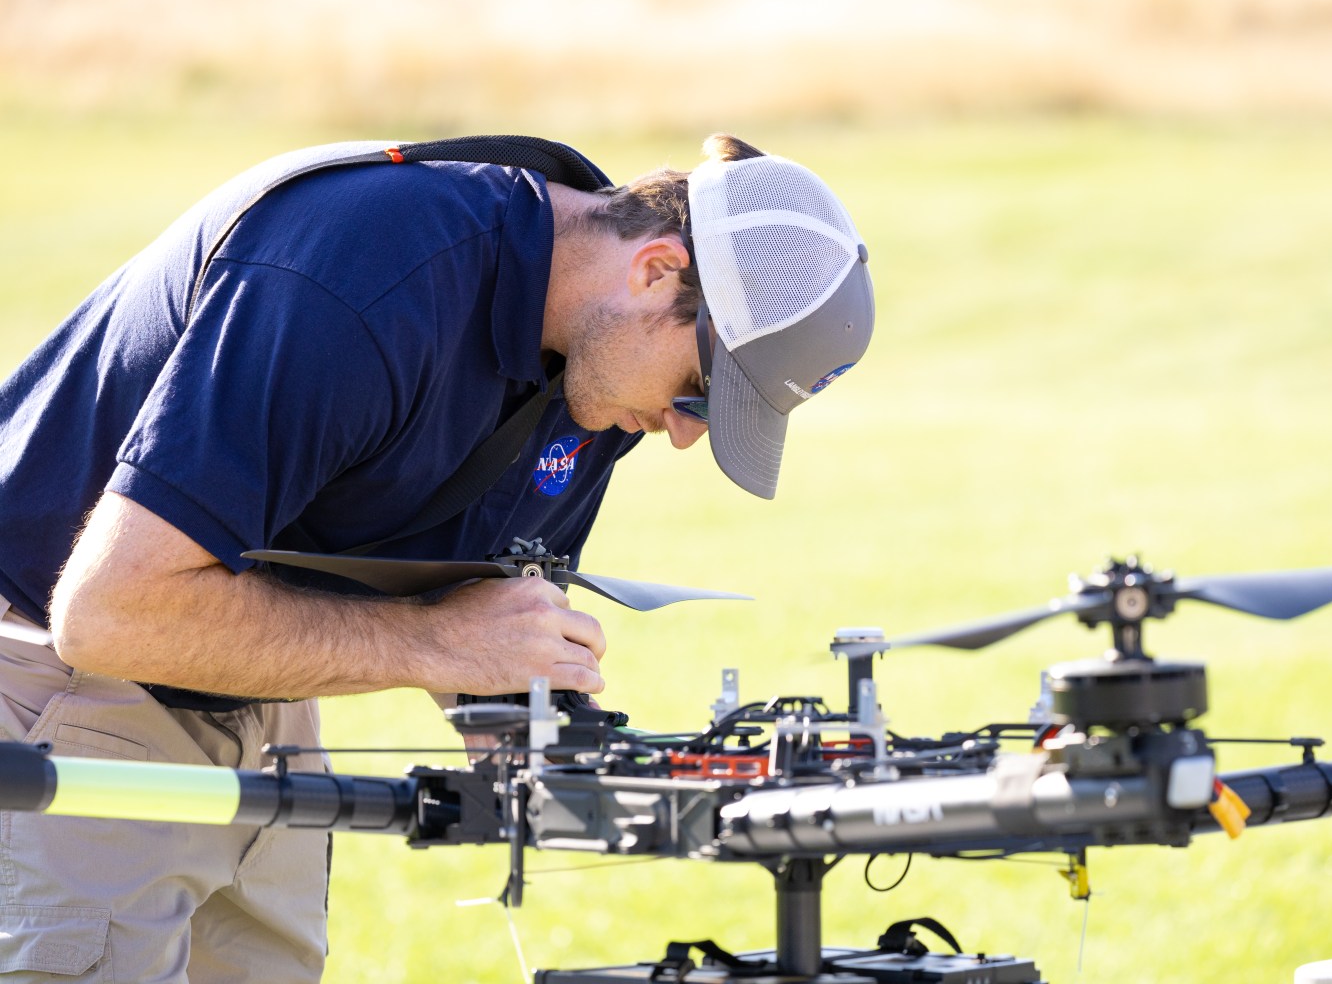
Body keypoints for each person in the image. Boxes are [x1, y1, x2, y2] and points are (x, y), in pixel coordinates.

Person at [0, 132, 874, 982]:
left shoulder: (597, 369)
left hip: (255, 677)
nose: (686, 435)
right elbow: (110, 615)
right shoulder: (365, 277)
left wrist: (611, 766)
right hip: (64, 676)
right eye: (699, 394)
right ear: (655, 271)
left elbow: (481, 621)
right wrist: (435, 644)